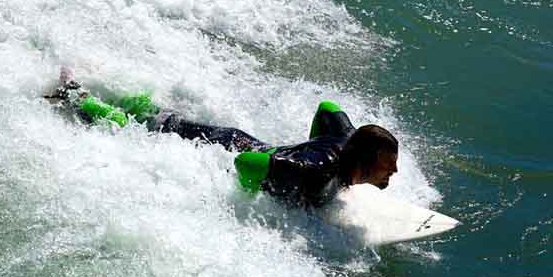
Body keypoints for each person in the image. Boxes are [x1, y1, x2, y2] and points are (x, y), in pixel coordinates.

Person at [46, 68, 399, 207]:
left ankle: (113, 93)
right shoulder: (317, 168)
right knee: (136, 129)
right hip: (224, 148)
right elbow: (246, 163)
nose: (394, 172)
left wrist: (302, 148)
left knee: (158, 122)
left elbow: (326, 106)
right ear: (364, 160)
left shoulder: (349, 136)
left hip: (242, 140)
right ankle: (74, 95)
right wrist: (244, 203)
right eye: (388, 165)